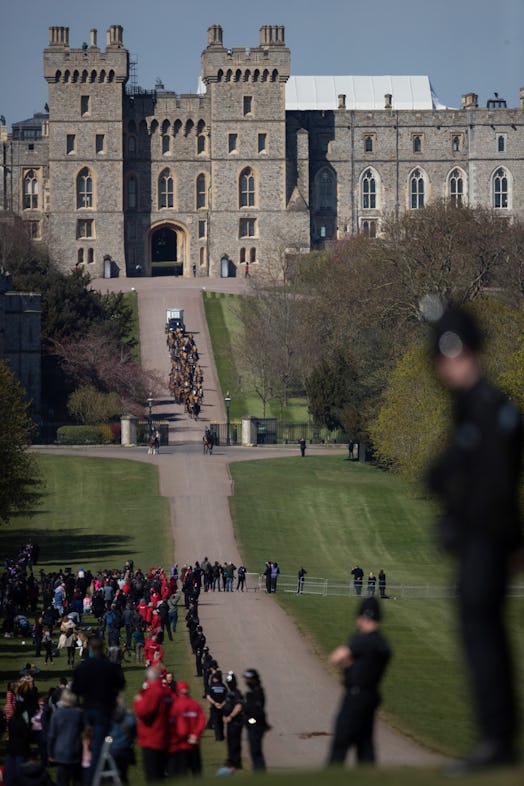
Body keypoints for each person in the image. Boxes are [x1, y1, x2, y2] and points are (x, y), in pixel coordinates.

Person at [427, 304, 523, 774]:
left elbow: (497, 483)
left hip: (489, 537)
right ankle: (495, 734)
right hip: (478, 538)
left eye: (457, 356)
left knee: (482, 633)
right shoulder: (468, 407)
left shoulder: (490, 407)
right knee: (477, 632)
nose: (450, 368)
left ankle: (497, 738)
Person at [327, 597, 391, 766]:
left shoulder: (361, 640)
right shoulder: (383, 644)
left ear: (363, 617)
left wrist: (348, 663)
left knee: (340, 744)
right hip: (371, 696)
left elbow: (335, 657)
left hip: (355, 697)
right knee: (365, 747)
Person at [71, 636, 125, 785]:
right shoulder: (110, 666)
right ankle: (92, 778)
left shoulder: (82, 667)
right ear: (103, 648)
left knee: (89, 743)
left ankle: (88, 776)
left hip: (87, 708)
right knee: (99, 746)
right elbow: (121, 684)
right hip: (103, 709)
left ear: (90, 648)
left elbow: (75, 689)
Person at [133, 665, 172, 782]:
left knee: (153, 775)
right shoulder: (166, 691)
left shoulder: (152, 692)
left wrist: (138, 700)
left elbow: (143, 711)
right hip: (166, 735)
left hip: (152, 738)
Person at [167, 681, 206, 777]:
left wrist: (184, 736)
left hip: (181, 745)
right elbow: (202, 721)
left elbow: (174, 724)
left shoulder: (175, 706)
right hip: (194, 744)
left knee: (182, 775)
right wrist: (196, 735)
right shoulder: (195, 704)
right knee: (196, 773)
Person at [47, 688, 84, 786]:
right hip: (76, 751)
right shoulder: (79, 714)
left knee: (62, 781)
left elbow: (51, 736)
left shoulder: (57, 714)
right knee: (78, 780)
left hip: (61, 752)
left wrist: (50, 753)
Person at [243, 669, 269, 771]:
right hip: (254, 726)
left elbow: (257, 713)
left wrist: (250, 721)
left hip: (256, 726)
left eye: (248, 679)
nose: (246, 681)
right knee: (254, 752)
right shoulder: (252, 692)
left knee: (256, 751)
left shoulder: (257, 693)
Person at [223, 671, 244, 771]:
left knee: (235, 742)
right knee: (230, 741)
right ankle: (231, 759)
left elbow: (239, 706)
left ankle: (236, 762)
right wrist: (225, 715)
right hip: (230, 722)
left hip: (236, 722)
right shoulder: (229, 693)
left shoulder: (236, 693)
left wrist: (231, 716)